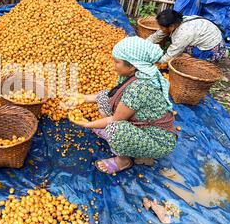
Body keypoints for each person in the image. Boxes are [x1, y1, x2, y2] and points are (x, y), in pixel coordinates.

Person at [72, 36, 177, 175]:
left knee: (115, 128)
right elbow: (112, 95)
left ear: (132, 65)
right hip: (141, 124)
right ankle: (125, 142)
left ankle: (123, 161)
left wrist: (87, 124)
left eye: (117, 62)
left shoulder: (140, 87)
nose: (113, 65)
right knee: (105, 96)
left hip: (157, 140)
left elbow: (115, 120)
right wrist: (83, 98)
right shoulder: (133, 73)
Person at [147, 9, 227, 63]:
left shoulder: (183, 33)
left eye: (162, 27)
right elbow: (158, 34)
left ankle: (213, 57)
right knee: (178, 48)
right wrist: (144, 44)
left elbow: (170, 55)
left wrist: (155, 62)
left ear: (171, 26)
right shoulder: (178, 21)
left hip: (212, 48)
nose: (160, 29)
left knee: (181, 58)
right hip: (210, 37)